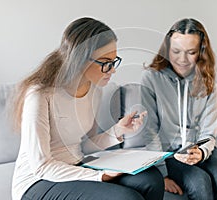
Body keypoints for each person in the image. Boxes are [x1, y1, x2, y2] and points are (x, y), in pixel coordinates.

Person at [11, 17, 164, 200]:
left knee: (151, 179)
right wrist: (100, 176)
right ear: (79, 59)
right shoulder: (40, 95)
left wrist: (118, 130)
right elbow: (42, 165)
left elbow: (84, 146)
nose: (112, 70)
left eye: (114, 61)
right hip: (37, 181)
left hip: (77, 165)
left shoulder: (94, 91)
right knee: (125, 198)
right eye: (106, 62)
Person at [140, 18, 217, 199]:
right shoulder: (151, 78)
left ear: (201, 52)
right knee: (199, 182)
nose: (182, 59)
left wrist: (201, 153)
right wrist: (161, 175)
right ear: (167, 48)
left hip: (199, 147)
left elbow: (209, 132)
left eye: (191, 52)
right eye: (176, 51)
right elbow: (150, 131)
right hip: (168, 152)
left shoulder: (210, 83)